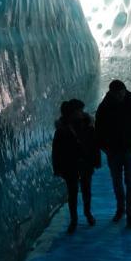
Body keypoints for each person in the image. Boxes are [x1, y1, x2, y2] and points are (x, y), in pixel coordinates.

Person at [95, 80, 131, 229]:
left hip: (128, 150)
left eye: (121, 93)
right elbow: (98, 129)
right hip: (114, 151)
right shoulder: (105, 107)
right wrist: (105, 147)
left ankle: (129, 214)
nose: (119, 96)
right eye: (117, 94)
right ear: (111, 93)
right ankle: (122, 209)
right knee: (119, 181)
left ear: (124, 90)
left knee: (128, 182)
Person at [52, 99, 101, 234]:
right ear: (71, 113)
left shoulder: (88, 125)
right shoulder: (63, 129)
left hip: (84, 163)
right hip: (70, 165)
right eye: (79, 110)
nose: (81, 112)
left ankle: (87, 213)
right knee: (73, 193)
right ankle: (75, 219)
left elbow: (94, 145)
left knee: (85, 190)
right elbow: (57, 150)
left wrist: (96, 161)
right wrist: (57, 168)